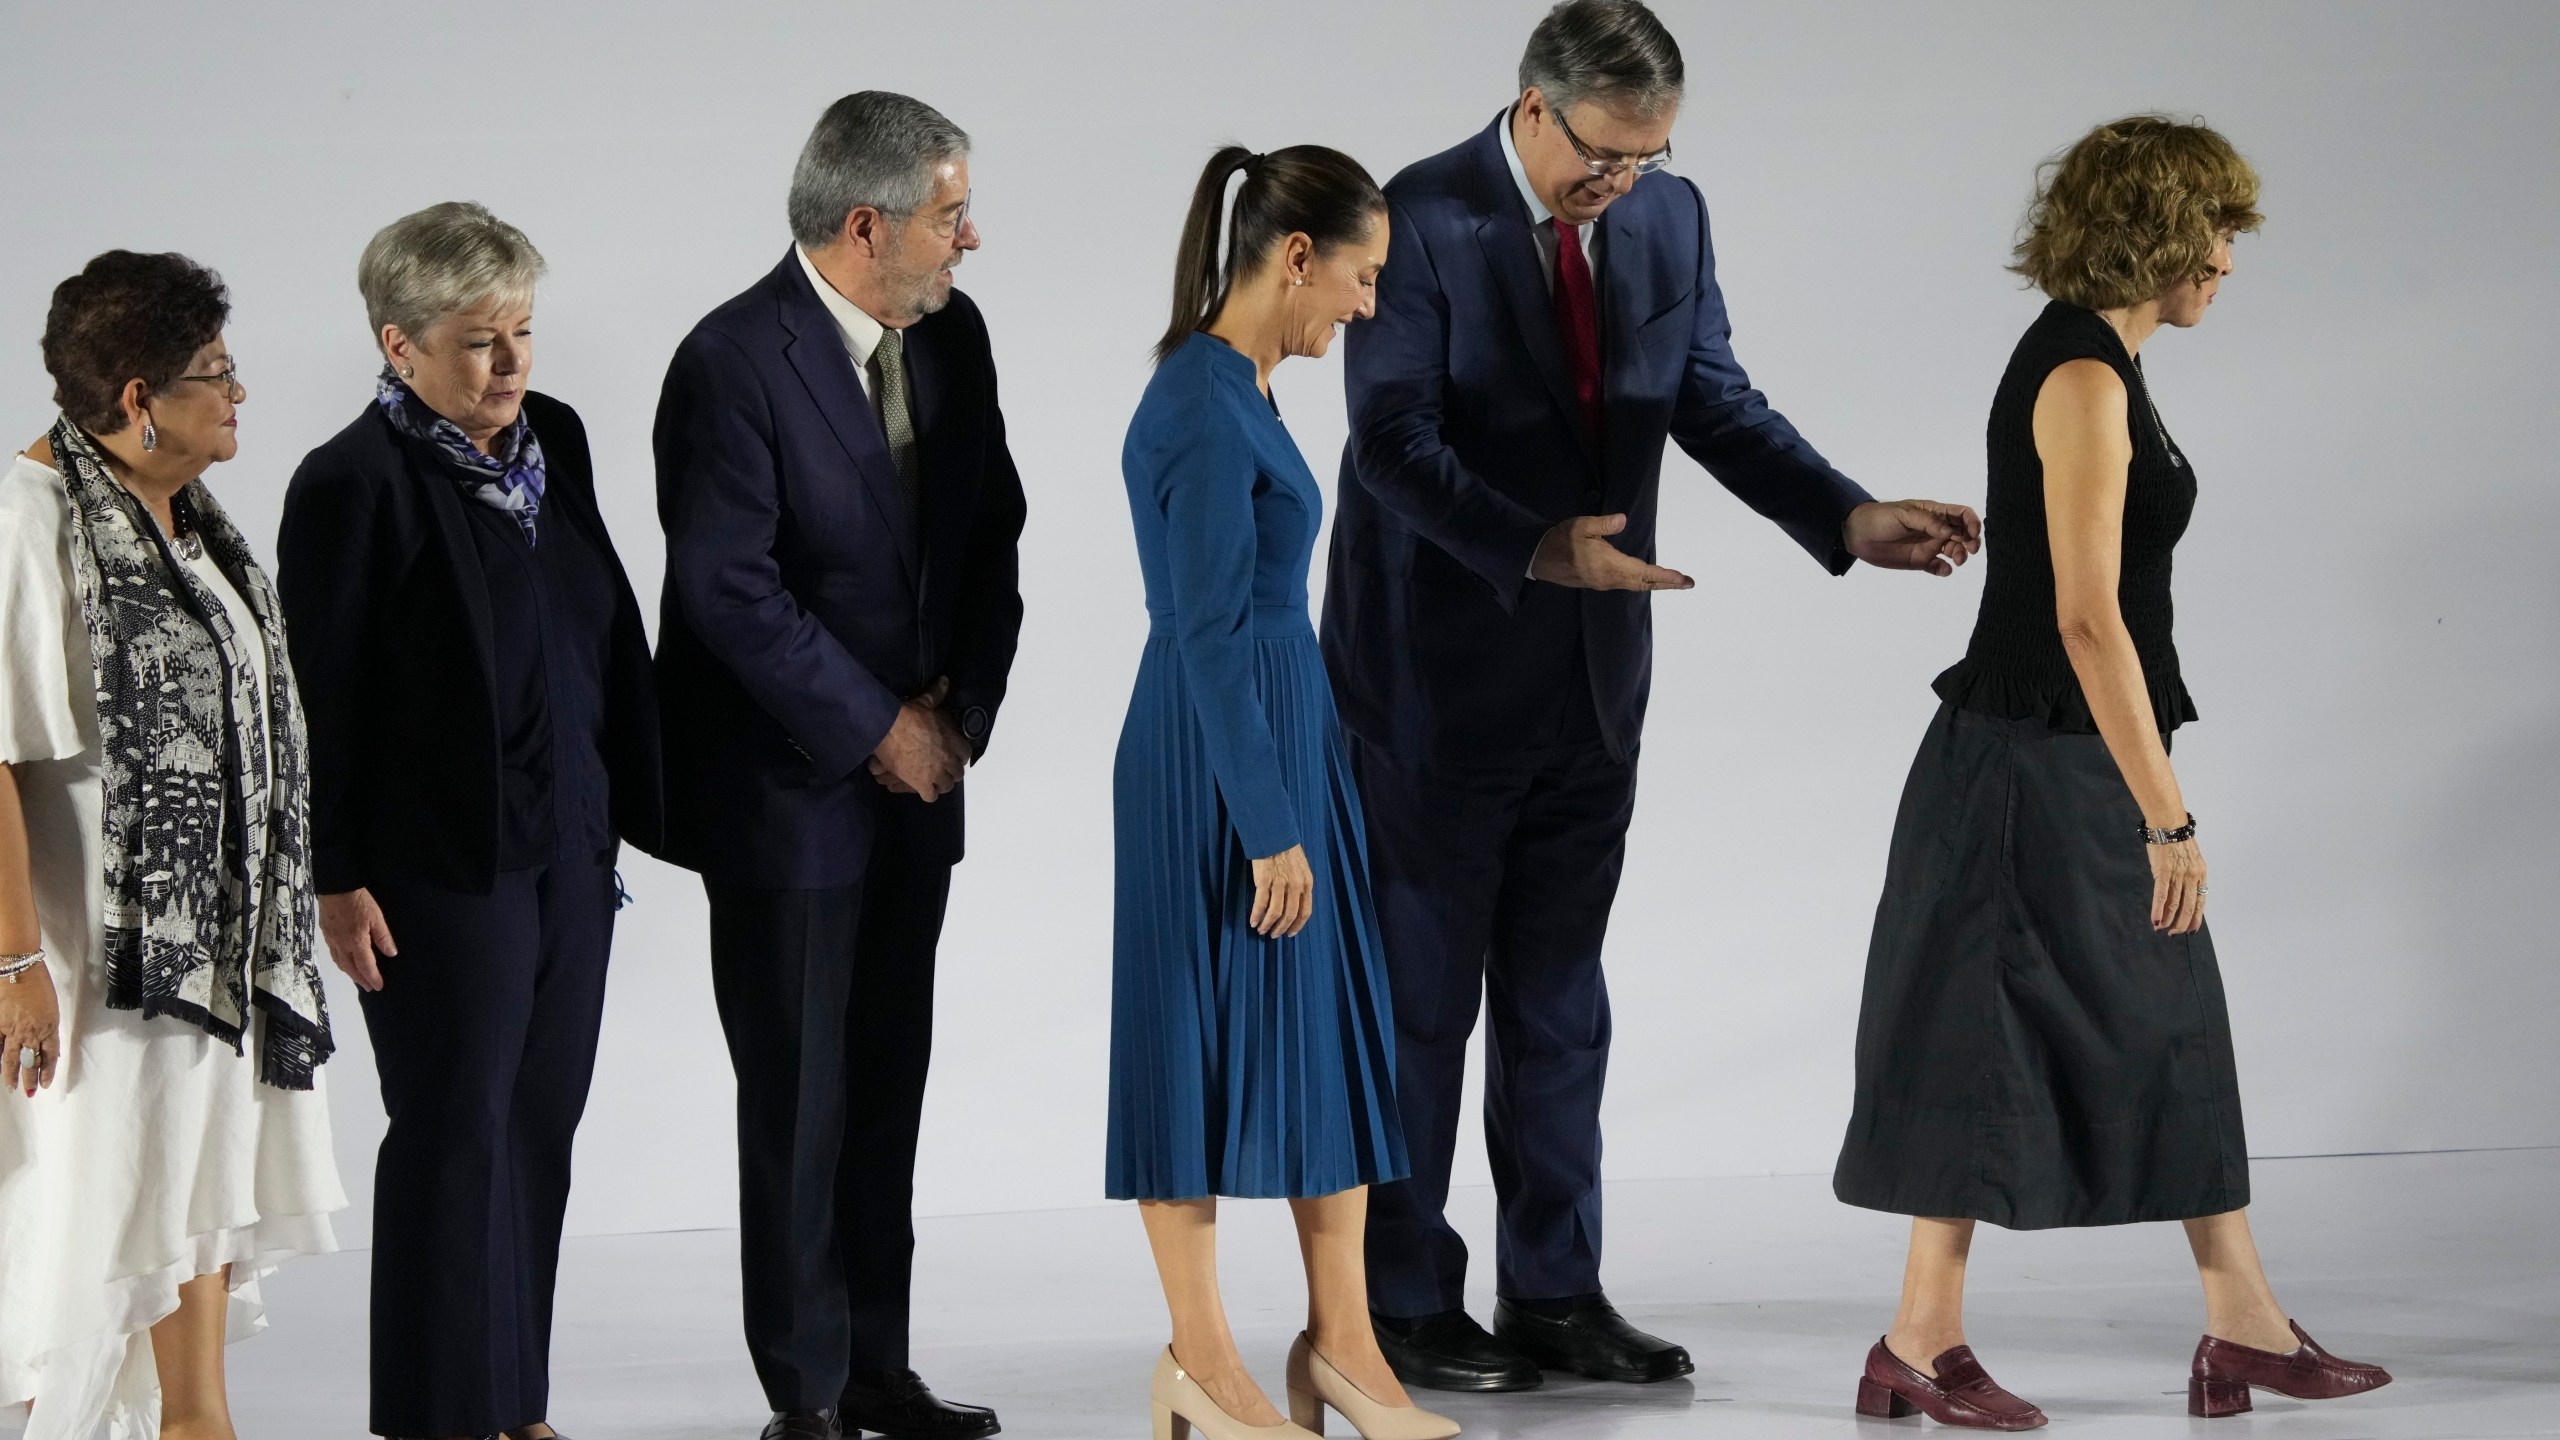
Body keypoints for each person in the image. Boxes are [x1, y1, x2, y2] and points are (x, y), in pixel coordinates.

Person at [1323, 0, 1982, 1392]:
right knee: (1423, 1008)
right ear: (1532, 108)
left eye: (1651, 159)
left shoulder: (1669, 219)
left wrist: (1844, 516)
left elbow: (1713, 398)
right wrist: (1535, 545)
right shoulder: (1419, 216)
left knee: (1563, 1003)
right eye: (1605, 159)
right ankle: (1394, 1305)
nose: (1623, 185)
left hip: (1594, 682)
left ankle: (1555, 1293)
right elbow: (1389, 441)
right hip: (1432, 682)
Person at [1830, 116, 2391, 1429]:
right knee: (1992, 1031)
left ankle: (2229, 1323)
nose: (2229, 261)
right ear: (2152, 230)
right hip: (2033, 768)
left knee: (2162, 1015)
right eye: (2218, 231)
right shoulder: (2080, 375)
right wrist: (2168, 814)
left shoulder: (2099, 369)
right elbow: (2090, 620)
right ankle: (1926, 1344)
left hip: (2055, 758)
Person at [653, 91, 1026, 1440]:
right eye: (950, 214)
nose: (968, 240)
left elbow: (995, 539)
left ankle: (878, 1368)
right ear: (867, 225)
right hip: (788, 802)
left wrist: (957, 717)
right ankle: (803, 1397)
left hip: (918, 794)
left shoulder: (953, 338)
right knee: (800, 1101)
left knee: (886, 1089)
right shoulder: (732, 361)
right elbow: (725, 589)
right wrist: (879, 727)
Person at [275, 201, 665, 1440]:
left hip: (568, 852)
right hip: (439, 872)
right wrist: (333, 876)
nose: (510, 367)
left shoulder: (556, 439)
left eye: (522, 333)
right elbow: (319, 699)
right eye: (477, 343)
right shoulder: (349, 484)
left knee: (538, 1135)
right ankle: (444, 1418)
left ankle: (520, 1408)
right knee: (453, 1143)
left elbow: (600, 629)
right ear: (399, 345)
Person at [1113, 145, 1458, 1440]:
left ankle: (1344, 1345)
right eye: (1362, 279)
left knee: (1334, 1048)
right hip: (1212, 762)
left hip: (1279, 745)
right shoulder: (1202, 401)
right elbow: (1204, 631)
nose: (1367, 309)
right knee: (1188, 1049)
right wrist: (1270, 827)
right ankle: (1202, 1361)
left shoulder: (1249, 385)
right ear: (1296, 256)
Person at [0, 251, 343, 1440]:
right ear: (139, 399)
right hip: (101, 962)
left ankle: (199, 1423)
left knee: (191, 1193)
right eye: (216, 374)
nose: (239, 393)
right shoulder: (27, 522)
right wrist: (12, 968)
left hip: (208, 948)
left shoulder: (188, 520)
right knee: (103, 1218)